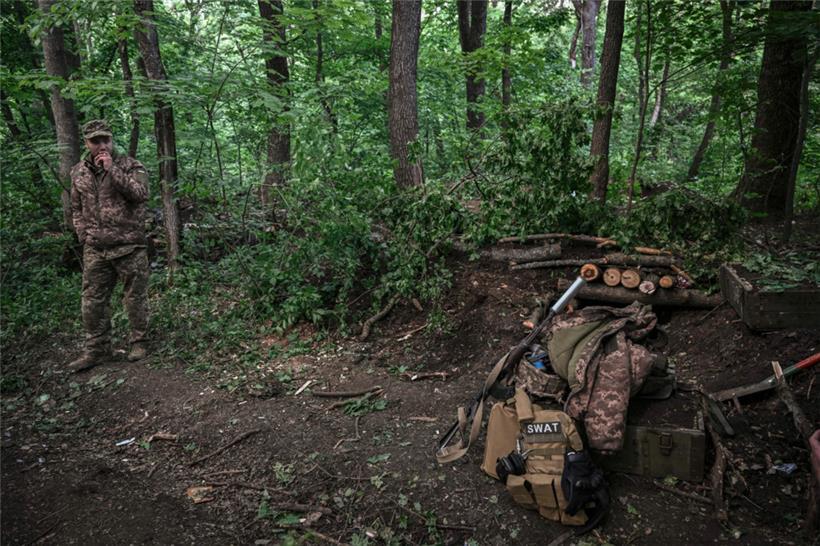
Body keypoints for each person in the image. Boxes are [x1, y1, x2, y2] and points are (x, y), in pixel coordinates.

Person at [67, 120, 150, 372]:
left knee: (134, 297)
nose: (102, 145)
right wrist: (83, 233)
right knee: (92, 301)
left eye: (106, 140)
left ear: (112, 140)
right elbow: (76, 206)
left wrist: (112, 169)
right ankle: (97, 349)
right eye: (96, 141)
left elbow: (140, 194)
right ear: (86, 143)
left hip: (129, 244)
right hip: (96, 248)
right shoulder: (78, 172)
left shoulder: (131, 165)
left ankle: (139, 342)